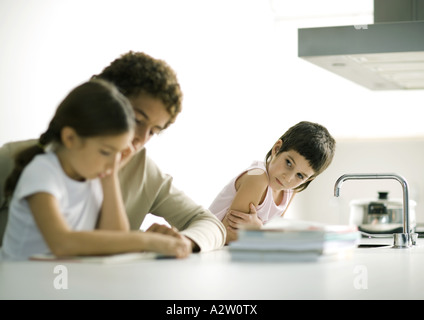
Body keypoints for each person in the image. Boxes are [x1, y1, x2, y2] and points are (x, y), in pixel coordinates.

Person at [0, 51, 226, 252]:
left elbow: (209, 222)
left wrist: (182, 242)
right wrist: (143, 242)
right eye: (136, 120)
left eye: (153, 132)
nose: (140, 139)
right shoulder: (21, 160)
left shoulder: (143, 171)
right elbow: (62, 242)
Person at [208, 121, 336, 244]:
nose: (288, 178)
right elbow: (227, 234)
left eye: (300, 175)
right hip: (205, 243)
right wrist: (259, 230)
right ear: (277, 148)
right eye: (289, 163)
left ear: (308, 179)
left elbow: (275, 229)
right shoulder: (257, 177)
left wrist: (261, 231)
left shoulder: (290, 190)